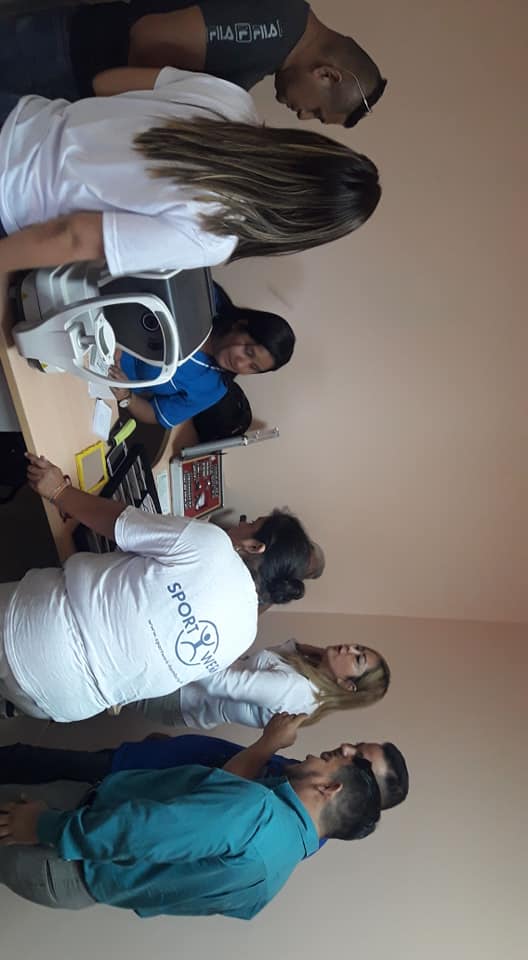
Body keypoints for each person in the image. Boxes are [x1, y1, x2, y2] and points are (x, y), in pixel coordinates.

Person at [0, 455, 316, 723]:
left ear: (255, 546)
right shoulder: (245, 635)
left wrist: (59, 490)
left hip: (31, 634)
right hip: (64, 704)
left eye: (252, 522)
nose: (241, 523)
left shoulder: (214, 545)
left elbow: (117, 522)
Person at [0, 68, 380, 276]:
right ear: (306, 225)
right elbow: (72, 237)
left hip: (19, 115)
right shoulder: (213, 235)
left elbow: (106, 82)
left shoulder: (231, 99)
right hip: (10, 191)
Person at [0, 713, 382, 916]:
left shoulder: (257, 813)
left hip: (65, 845)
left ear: (329, 788)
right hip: (76, 883)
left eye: (326, 759)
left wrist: (42, 825)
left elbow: (137, 831)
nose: (315, 755)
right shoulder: (276, 873)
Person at [0, 1, 387, 127]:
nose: (303, 115)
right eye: (317, 111)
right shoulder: (273, 29)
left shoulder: (276, 38)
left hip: (72, 66)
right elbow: (149, 35)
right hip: (65, 56)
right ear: (326, 74)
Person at [0, 731, 410, 812]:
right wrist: (167, 744)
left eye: (358, 758)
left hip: (132, 787)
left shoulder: (296, 810)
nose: (346, 748)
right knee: (34, 763)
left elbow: (219, 794)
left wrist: (270, 740)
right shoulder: (305, 773)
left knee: (30, 765)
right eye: (356, 744)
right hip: (146, 762)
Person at [110, 282, 295, 427]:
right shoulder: (206, 298)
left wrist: (126, 396)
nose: (240, 364)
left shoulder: (213, 388)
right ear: (240, 325)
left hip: (107, 375)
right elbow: (142, 281)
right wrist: (119, 333)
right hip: (105, 314)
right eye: (248, 351)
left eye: (252, 367)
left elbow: (156, 415)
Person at [128, 636, 391, 728]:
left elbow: (221, 684)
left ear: (348, 686)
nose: (350, 649)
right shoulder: (307, 678)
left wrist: (177, 642)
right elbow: (274, 656)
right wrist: (314, 652)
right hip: (184, 682)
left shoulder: (298, 691)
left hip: (180, 695)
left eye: (358, 659)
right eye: (358, 647)